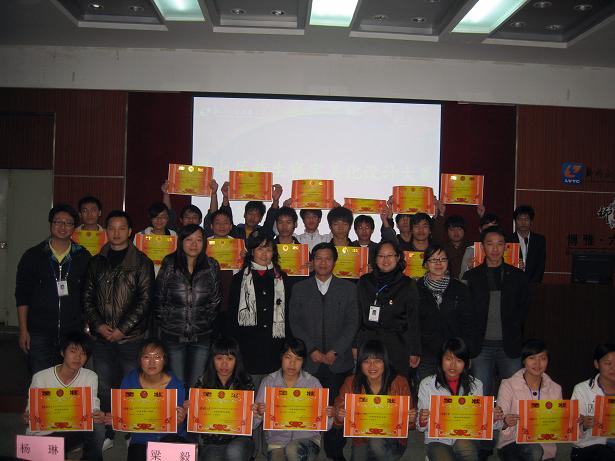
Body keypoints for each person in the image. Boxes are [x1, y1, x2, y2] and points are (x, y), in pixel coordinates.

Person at [83, 210, 155, 450]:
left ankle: (133, 430)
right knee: (105, 387)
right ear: (106, 231)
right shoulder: (96, 261)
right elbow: (87, 297)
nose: (116, 233)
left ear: (130, 231)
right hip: (102, 337)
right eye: (112, 228)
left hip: (131, 338)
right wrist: (99, 326)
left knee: (132, 385)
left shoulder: (142, 262)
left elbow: (145, 301)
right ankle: (108, 431)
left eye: (121, 228)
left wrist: (122, 329)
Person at [289, 242, 359, 460]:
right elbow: (295, 322)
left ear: (335, 262)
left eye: (328, 258)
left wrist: (335, 351)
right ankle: (309, 444)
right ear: (312, 261)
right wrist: (312, 350)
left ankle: (335, 449)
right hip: (310, 361)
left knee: (337, 406)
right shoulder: (300, 288)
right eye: (318, 258)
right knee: (310, 405)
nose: (323, 263)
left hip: (339, 360)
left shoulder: (348, 288)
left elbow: (352, 323)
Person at [16, 203, 91, 374]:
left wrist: (87, 326)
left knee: (70, 377)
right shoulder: (33, 256)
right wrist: (23, 330)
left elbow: (88, 295)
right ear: (50, 224)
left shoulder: (83, 256)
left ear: (74, 227)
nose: (63, 227)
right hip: (39, 331)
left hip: (72, 331)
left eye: (68, 223)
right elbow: (22, 295)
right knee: (40, 378)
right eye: (58, 222)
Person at [462, 226, 529, 397]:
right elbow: (466, 314)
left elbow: (524, 309)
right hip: (480, 347)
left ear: (506, 247)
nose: (495, 248)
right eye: (490, 244)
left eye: (500, 244)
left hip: (510, 346)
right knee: (481, 395)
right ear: (482, 247)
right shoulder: (472, 276)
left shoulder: (518, 276)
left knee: (514, 394)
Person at [155, 224, 222, 388]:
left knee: (196, 384)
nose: (194, 244)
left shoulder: (211, 265)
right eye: (189, 239)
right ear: (181, 242)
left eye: (198, 240)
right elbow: (158, 297)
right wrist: (168, 320)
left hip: (201, 335)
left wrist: (205, 321)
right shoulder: (170, 263)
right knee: (176, 383)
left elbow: (215, 300)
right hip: (173, 334)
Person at [24, 332, 105, 461]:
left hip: (73, 431)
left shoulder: (90, 376)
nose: (77, 357)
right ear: (62, 352)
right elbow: (30, 411)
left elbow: (93, 404)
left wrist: (96, 413)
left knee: (98, 426)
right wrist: (28, 416)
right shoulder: (41, 377)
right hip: (45, 434)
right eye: (73, 351)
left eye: (83, 353)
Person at [226, 230, 290, 389]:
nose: (264, 254)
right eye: (260, 249)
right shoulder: (239, 279)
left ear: (273, 253)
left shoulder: (281, 278)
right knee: (250, 393)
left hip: (275, 346)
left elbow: (288, 313)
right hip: (248, 347)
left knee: (272, 396)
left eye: (268, 249)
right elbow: (231, 316)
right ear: (252, 252)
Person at [418, 337, 498, 461]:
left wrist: (492, 417)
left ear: (467, 363)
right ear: (441, 360)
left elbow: (481, 423)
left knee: (465, 446)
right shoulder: (427, 384)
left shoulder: (476, 385)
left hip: (466, 437)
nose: (453, 365)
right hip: (438, 439)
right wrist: (422, 419)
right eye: (448, 359)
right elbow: (420, 427)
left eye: (459, 360)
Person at [334, 339, 415, 461]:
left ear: (385, 362)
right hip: (362, 439)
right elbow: (337, 418)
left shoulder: (399, 382)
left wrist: (411, 419)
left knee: (376, 443)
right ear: (360, 363)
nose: (372, 366)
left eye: (378, 361)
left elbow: (410, 422)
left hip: (392, 439)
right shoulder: (351, 382)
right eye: (366, 361)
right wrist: (339, 415)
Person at [254, 338, 333, 461]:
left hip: (308, 440)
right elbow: (253, 424)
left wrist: (329, 415)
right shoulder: (269, 382)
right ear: (281, 357)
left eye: (298, 359)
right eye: (288, 357)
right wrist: (258, 413)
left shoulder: (312, 383)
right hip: (277, 442)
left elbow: (326, 426)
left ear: (303, 361)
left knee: (293, 450)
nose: (292, 363)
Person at [356, 240, 421, 379]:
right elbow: (357, 315)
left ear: (398, 257)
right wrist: (355, 345)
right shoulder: (364, 282)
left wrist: (415, 351)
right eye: (381, 256)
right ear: (375, 259)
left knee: (396, 387)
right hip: (368, 344)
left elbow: (414, 320)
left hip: (397, 345)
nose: (385, 260)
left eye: (390, 255)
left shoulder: (407, 284)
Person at [115, 339, 187, 461]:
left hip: (170, 436)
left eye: (157, 357)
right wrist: (116, 417)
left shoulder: (176, 386)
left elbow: (177, 429)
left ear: (165, 360)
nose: (152, 362)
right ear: (140, 360)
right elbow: (124, 415)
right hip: (140, 438)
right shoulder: (129, 381)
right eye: (146, 357)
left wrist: (180, 421)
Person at [416, 245, 475, 382]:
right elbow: (412, 323)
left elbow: (469, 323)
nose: (438, 263)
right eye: (433, 260)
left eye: (442, 259)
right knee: (427, 391)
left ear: (448, 262)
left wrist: (468, 352)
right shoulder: (416, 288)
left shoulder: (460, 289)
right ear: (426, 264)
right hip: (426, 354)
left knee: (453, 393)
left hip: (455, 353)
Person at [496, 339, 562, 461]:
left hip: (545, 449)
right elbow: (499, 421)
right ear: (523, 360)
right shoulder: (508, 385)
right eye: (532, 358)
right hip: (512, 444)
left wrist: (568, 422)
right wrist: (505, 422)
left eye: (543, 358)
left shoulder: (556, 389)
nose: (538, 363)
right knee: (535, 451)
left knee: (538, 451)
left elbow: (557, 425)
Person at [192, 337, 255, 461]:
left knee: (234, 453)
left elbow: (250, 421)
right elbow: (197, 420)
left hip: (239, 438)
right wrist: (191, 409)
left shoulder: (245, 382)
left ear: (237, 360)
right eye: (219, 358)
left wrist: (255, 412)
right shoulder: (203, 382)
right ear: (212, 360)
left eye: (230, 359)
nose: (224, 364)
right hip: (211, 442)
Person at [571, 343, 615, 461]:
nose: (613, 368)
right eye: (608, 363)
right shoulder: (582, 389)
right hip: (589, 450)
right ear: (596, 364)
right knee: (604, 453)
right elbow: (571, 432)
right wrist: (583, 426)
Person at [432, 202, 485, 280]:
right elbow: (436, 235)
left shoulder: (471, 246)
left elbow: (484, 237)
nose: (456, 233)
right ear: (447, 231)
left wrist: (481, 216)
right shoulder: (442, 247)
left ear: (464, 230)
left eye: (459, 229)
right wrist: (441, 214)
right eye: (452, 229)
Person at [506, 205, 546, 283]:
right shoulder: (508, 240)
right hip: (512, 282)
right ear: (515, 221)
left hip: (533, 284)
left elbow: (540, 265)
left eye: (526, 219)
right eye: (520, 219)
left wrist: (533, 284)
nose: (523, 222)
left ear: (531, 221)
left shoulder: (539, 240)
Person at [459, 213, 499, 280]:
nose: (490, 232)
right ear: (480, 230)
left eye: (493, 228)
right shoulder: (471, 250)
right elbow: (461, 279)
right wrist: (468, 268)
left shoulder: (505, 248)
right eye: (487, 229)